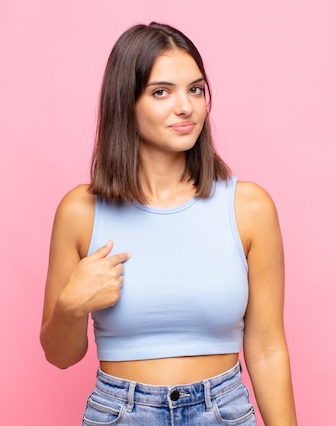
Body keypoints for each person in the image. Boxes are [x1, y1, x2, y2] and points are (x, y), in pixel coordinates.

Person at [40, 22, 297, 425]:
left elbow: (266, 347)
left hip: (223, 411)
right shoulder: (81, 211)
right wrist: (71, 307)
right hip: (121, 413)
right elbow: (60, 355)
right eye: (162, 92)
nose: (186, 107)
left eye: (195, 89)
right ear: (126, 103)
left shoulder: (248, 207)